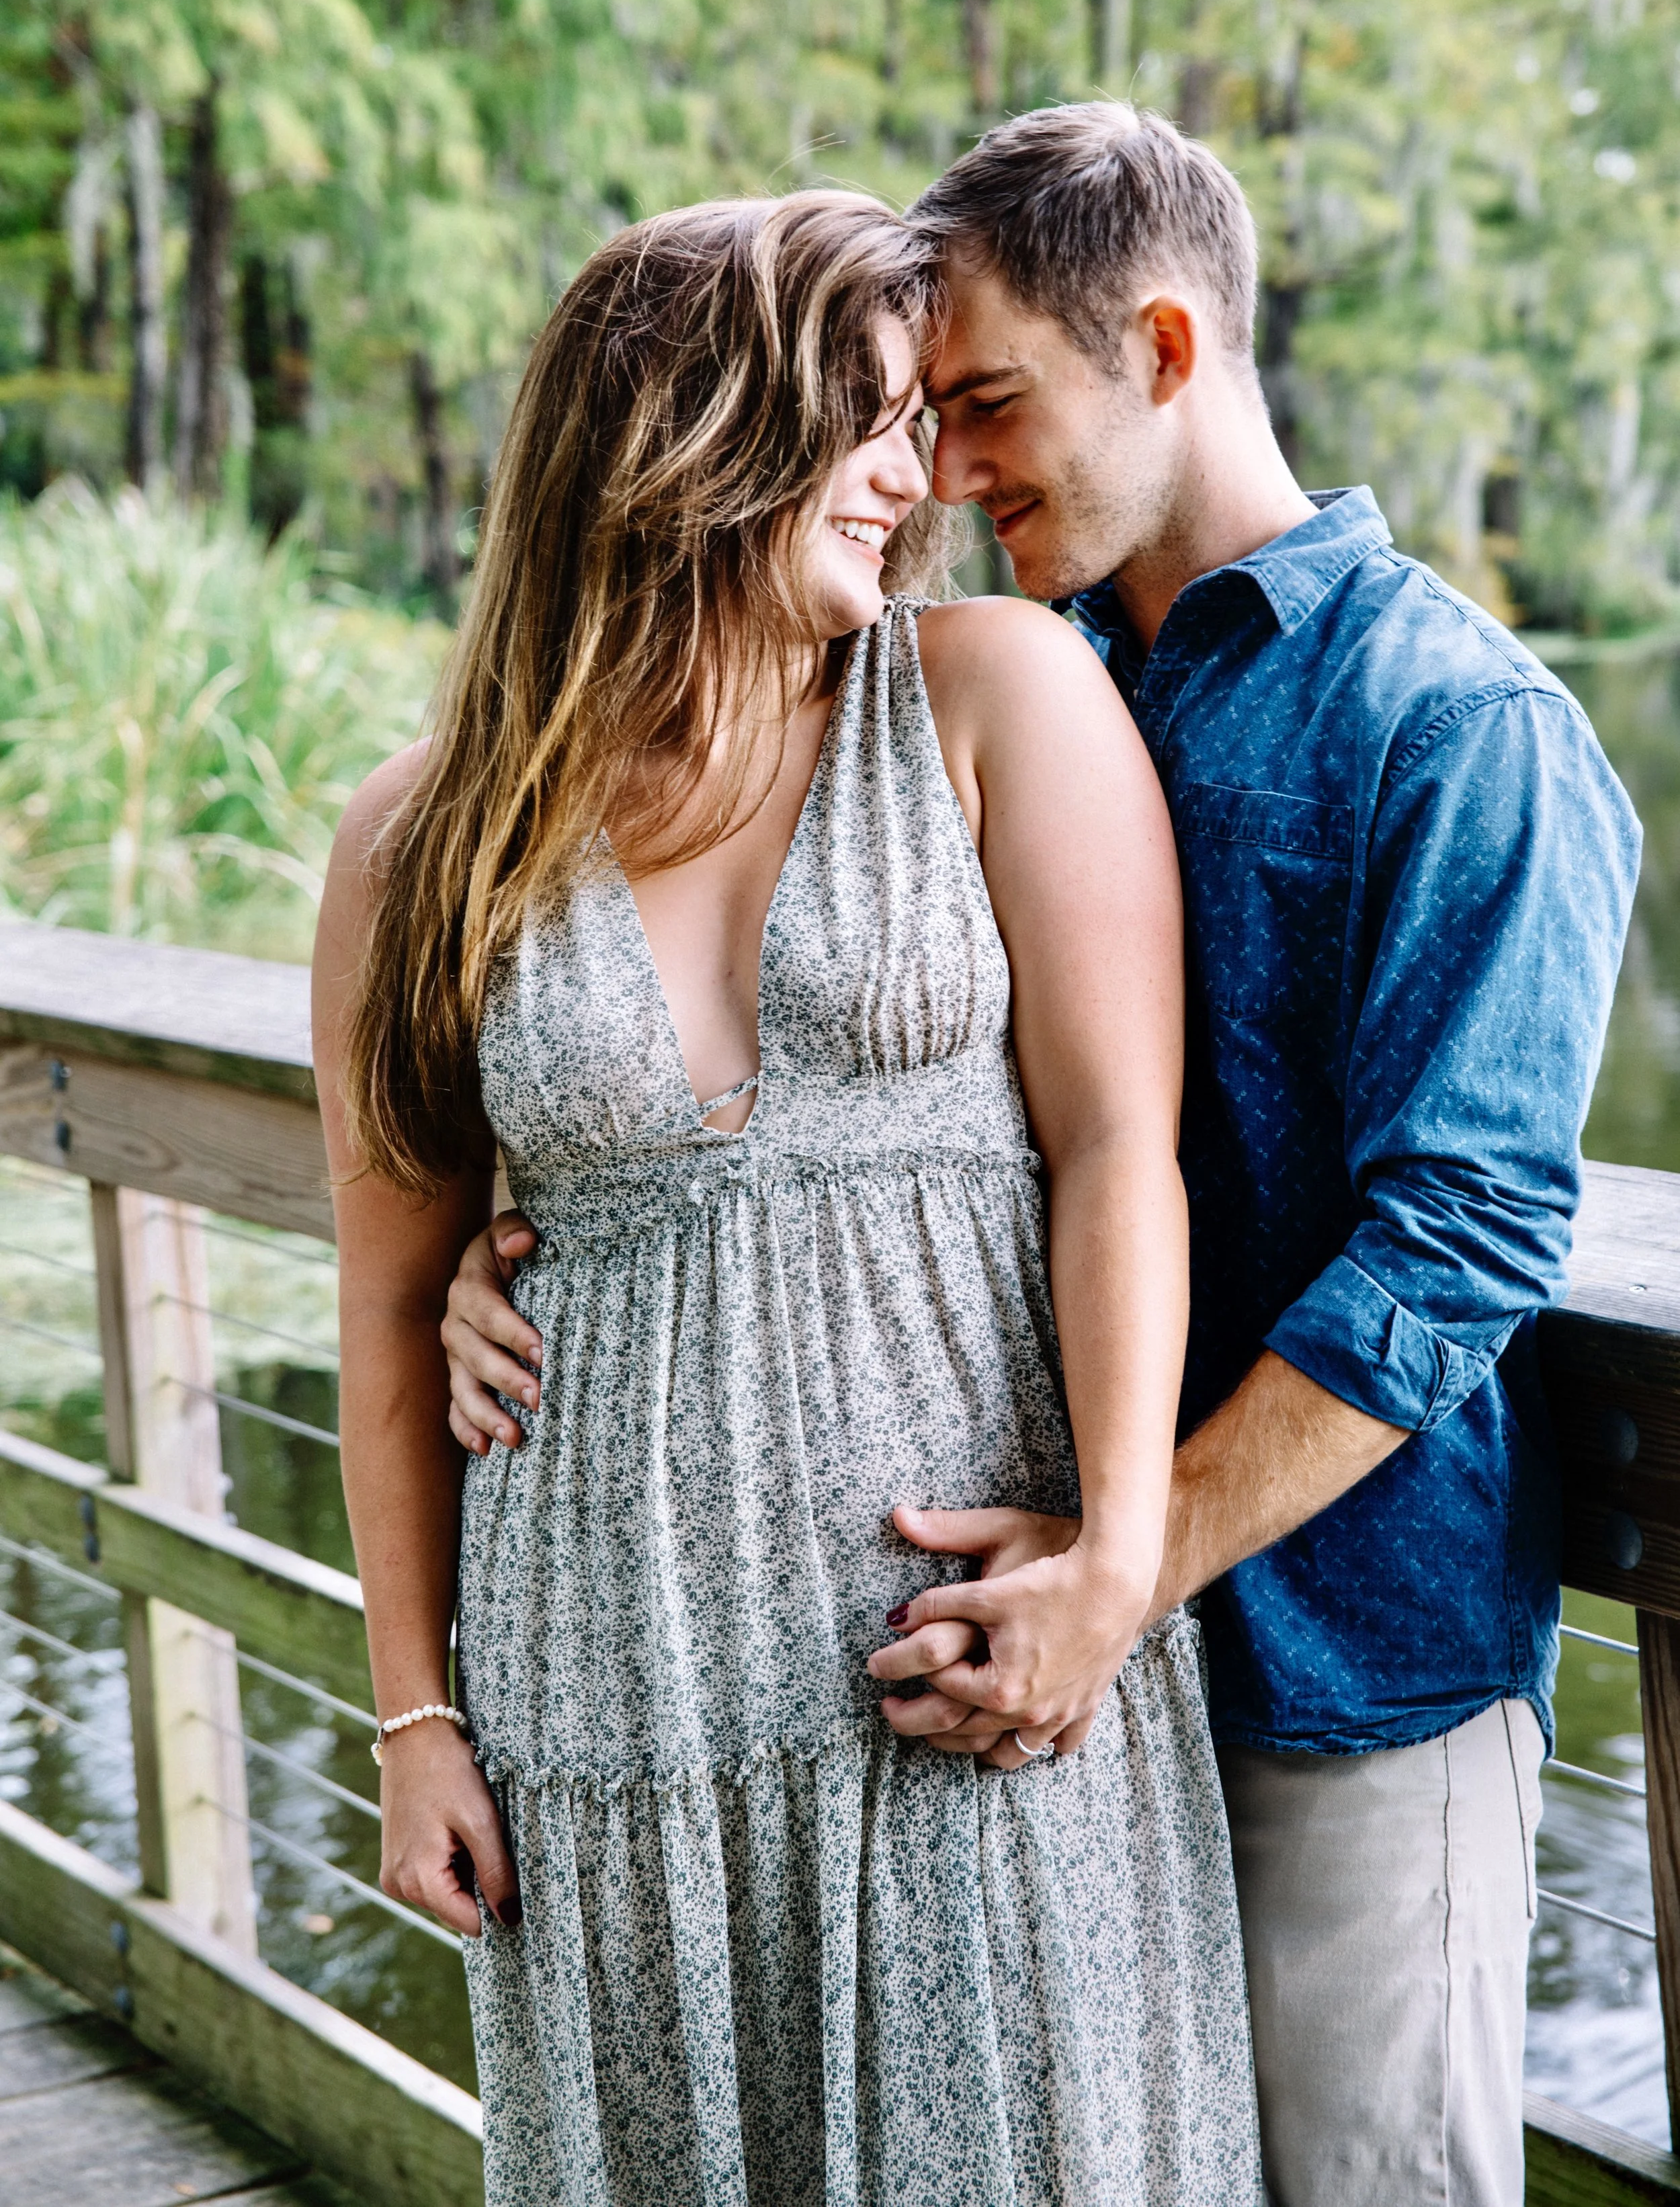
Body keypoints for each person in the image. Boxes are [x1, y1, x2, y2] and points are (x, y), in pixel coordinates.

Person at [445, 113, 1642, 2207]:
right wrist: (527, 1255)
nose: (947, 472)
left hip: (1341, 1656)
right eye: (916, 417)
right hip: (1025, 1661)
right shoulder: (1003, 677)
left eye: (981, 406)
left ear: (1164, 346)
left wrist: (1127, 1563)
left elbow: (1460, 1238)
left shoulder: (1460, 725)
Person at [312, 189, 1265, 2206]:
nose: (916, 472)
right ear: (691, 429)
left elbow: (1117, 1149)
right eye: (865, 419)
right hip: (608, 1704)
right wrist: (414, 1716)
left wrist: (1111, 1555)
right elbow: (395, 1300)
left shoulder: (995, 690)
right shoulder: (420, 841)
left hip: (963, 1676)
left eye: (927, 418)